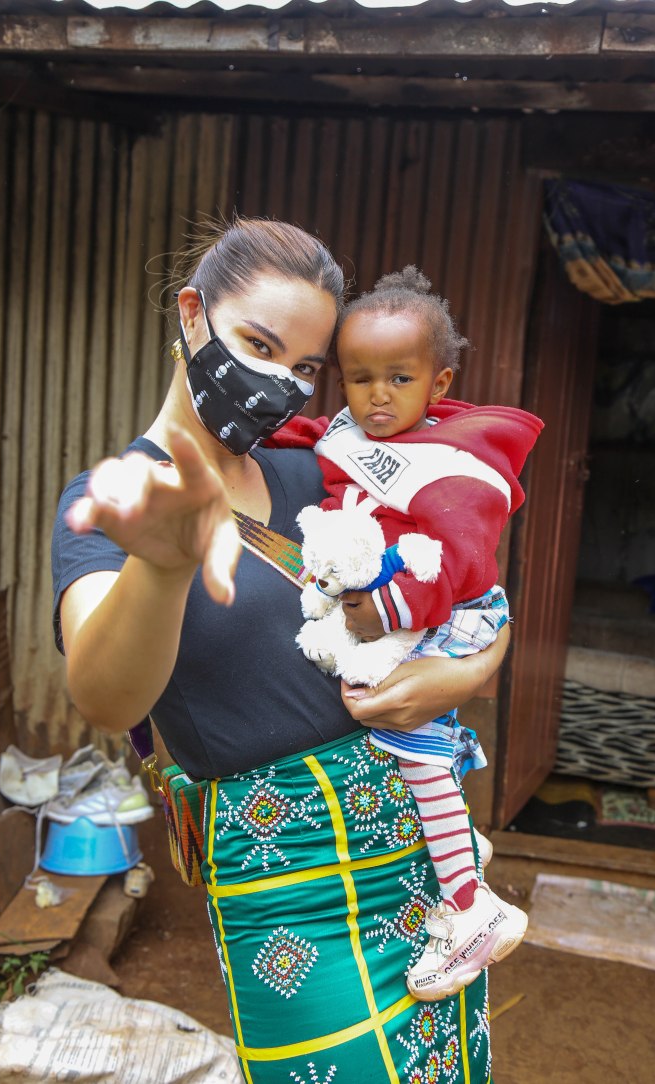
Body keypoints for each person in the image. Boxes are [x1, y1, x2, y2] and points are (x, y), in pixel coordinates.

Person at [52, 217, 511, 1084]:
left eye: (303, 368)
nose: (279, 385)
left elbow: (466, 586)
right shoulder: (114, 501)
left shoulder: (321, 473)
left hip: (419, 860)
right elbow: (106, 699)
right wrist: (162, 565)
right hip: (287, 882)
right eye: (257, 345)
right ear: (193, 315)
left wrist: (464, 671)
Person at [268, 267, 543, 1001]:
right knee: (396, 735)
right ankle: (458, 840)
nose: (377, 396)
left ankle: (471, 907)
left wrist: (382, 611)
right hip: (403, 607)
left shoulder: (455, 466)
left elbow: (461, 562)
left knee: (402, 733)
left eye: (398, 377)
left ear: (438, 379)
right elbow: (311, 433)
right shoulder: (348, 434)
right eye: (359, 379)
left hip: (447, 610)